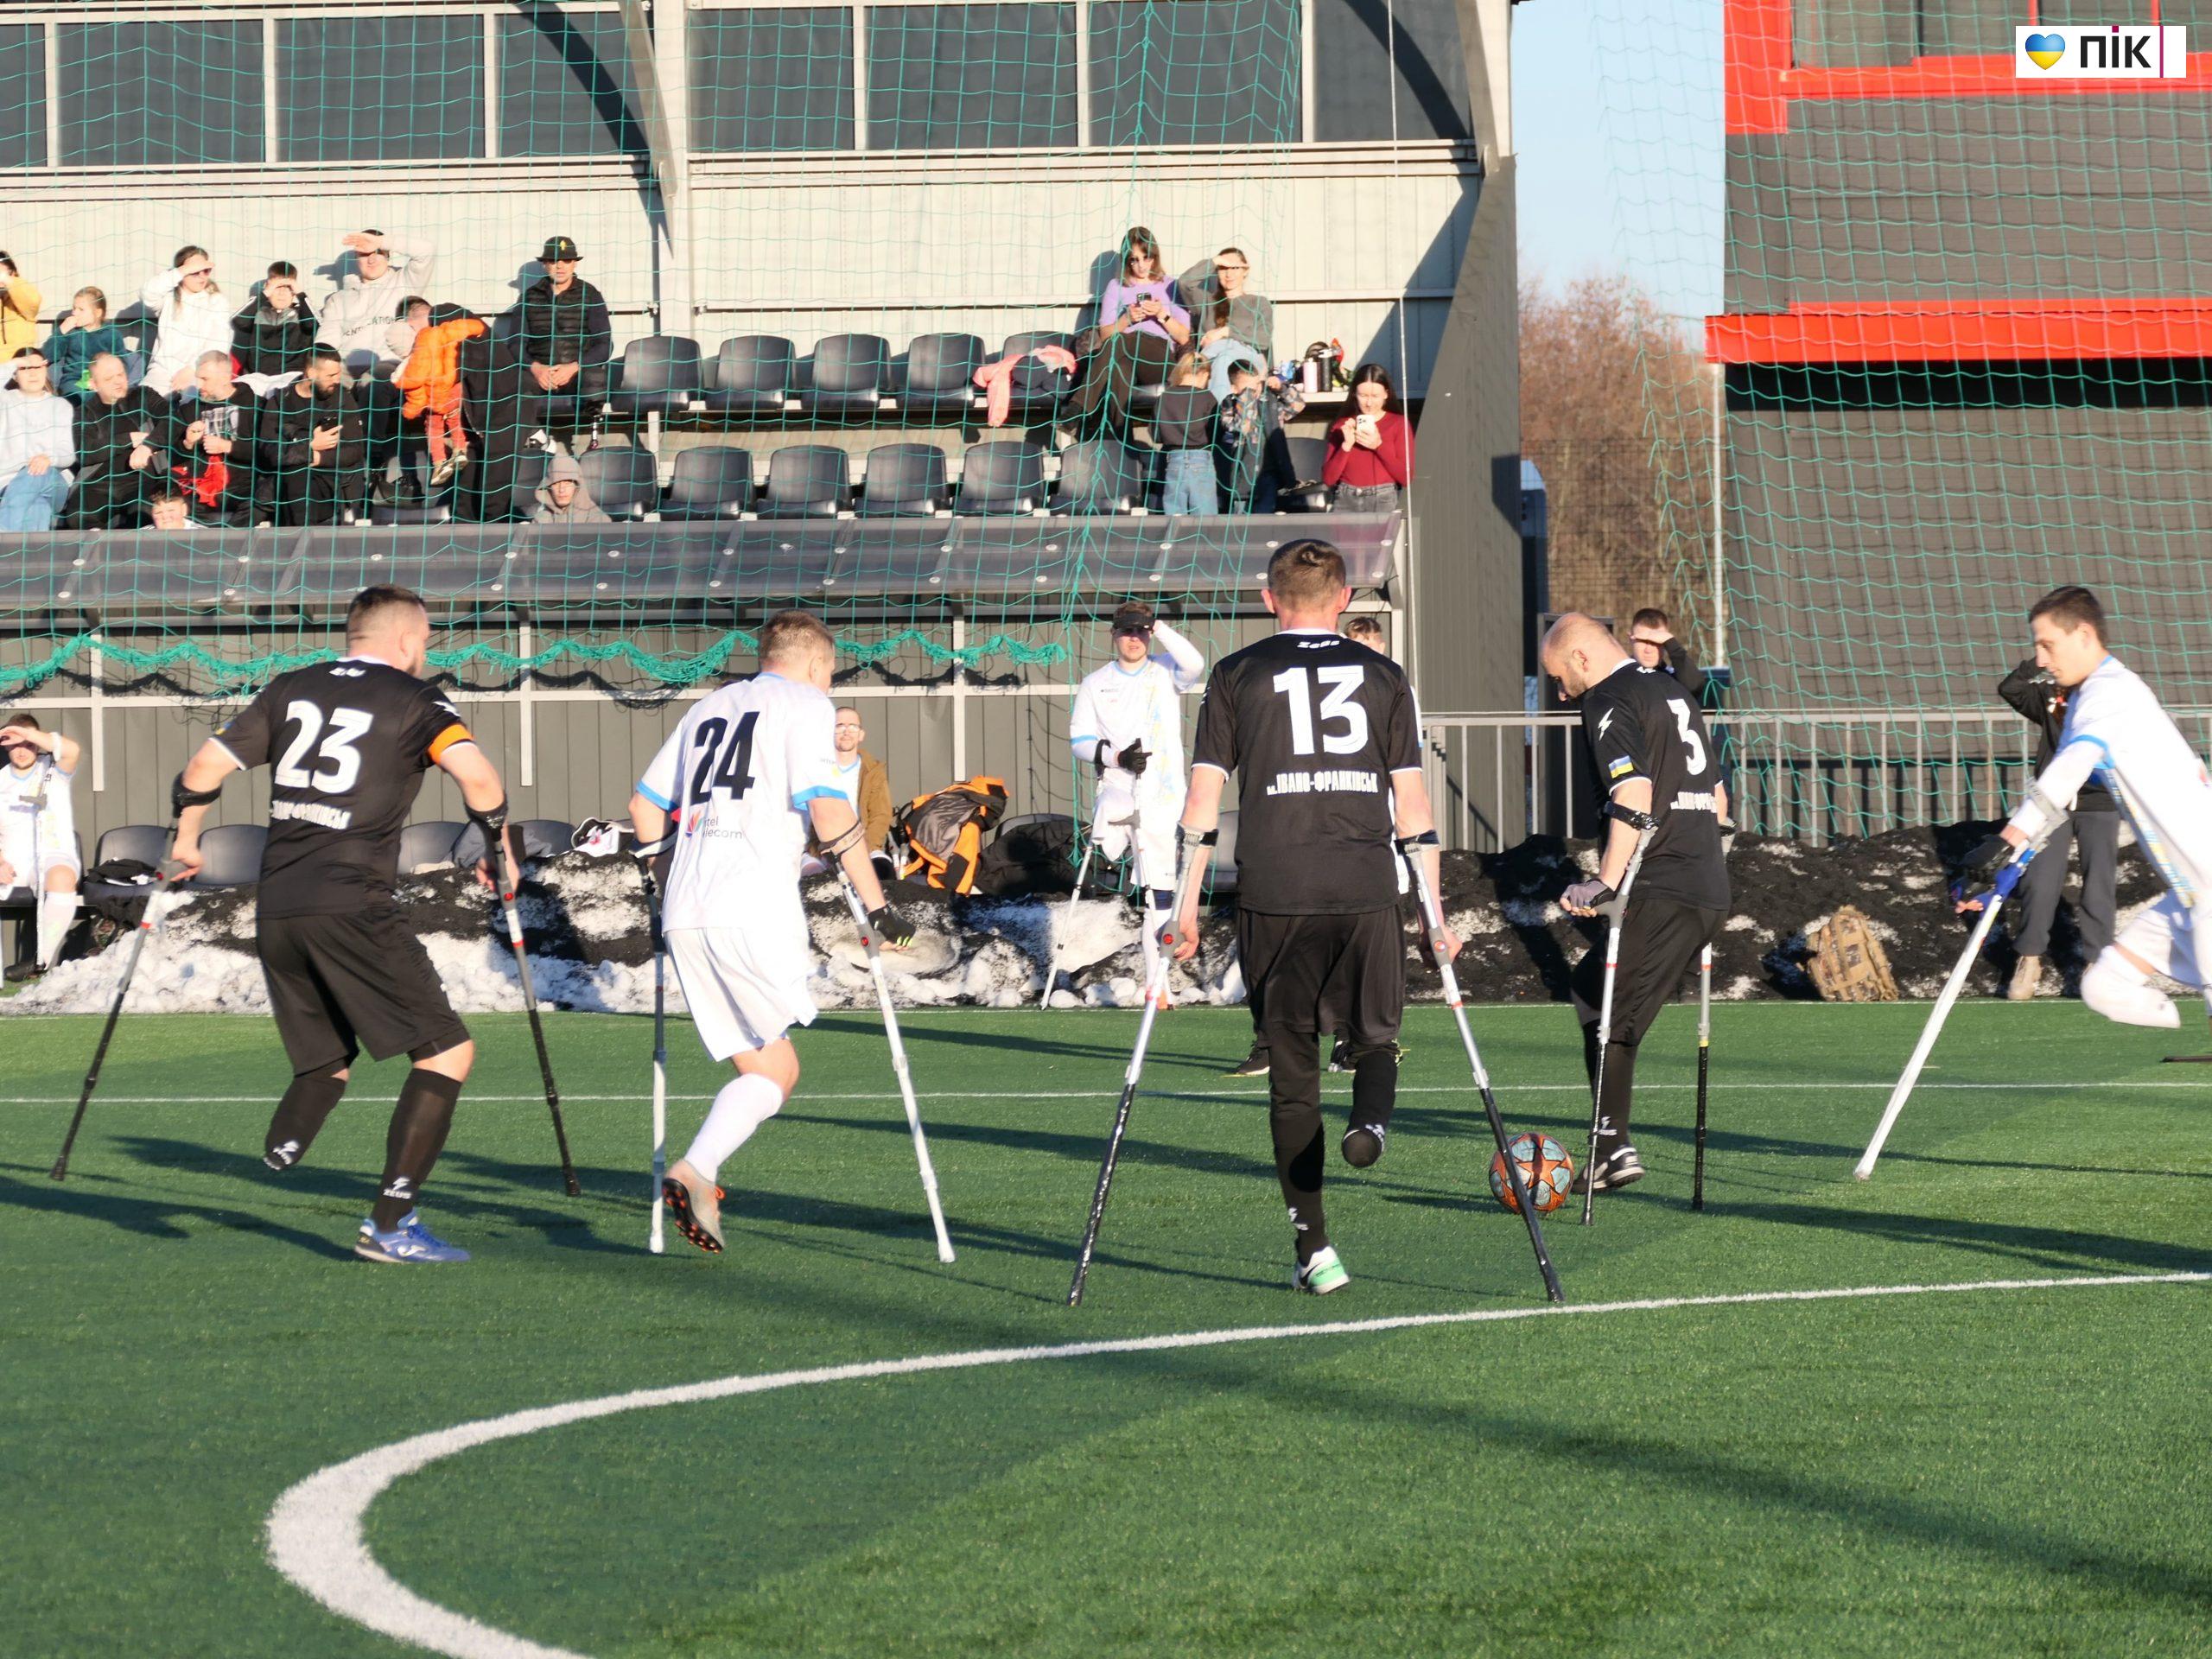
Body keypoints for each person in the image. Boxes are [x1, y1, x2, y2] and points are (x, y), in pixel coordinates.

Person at [169, 586, 515, 1263]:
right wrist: (499, 847)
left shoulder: (289, 688)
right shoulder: (420, 702)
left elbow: (204, 767)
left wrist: (186, 839)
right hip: (352, 900)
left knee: (326, 1062)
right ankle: (391, 1226)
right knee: (447, 1053)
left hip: (278, 904)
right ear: (410, 642)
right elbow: (480, 780)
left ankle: (283, 1147)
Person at [1169, 539, 1452, 1294]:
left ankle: (1315, 1252)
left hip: (1275, 889)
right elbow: (1414, 808)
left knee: (1291, 1078)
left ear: (1269, 600)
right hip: (1364, 885)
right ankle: (1370, 1125)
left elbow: (1201, 806)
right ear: (1345, 598)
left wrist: (1185, 904)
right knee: (1379, 1036)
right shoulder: (1385, 675)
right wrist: (1434, 910)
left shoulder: (1233, 675)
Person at [628, 610, 917, 1255]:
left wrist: (664, 868)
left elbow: (644, 806)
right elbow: (828, 806)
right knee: (777, 1071)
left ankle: (699, 1174)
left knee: (766, 1067)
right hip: (750, 904)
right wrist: (876, 906)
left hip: (687, 910)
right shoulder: (809, 703)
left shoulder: (706, 708)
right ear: (817, 664)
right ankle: (694, 1170)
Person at [1960, 587, 2212, 1034]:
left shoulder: (2110, 694)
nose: (2040, 659)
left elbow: (2066, 772)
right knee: (2105, 987)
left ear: (2084, 635)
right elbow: (2061, 793)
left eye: (2047, 644)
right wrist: (2007, 863)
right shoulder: (2084, 697)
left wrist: (2006, 841)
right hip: (2188, 892)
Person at [1540, 613, 1730, 1196]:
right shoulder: (1671, 692)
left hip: (1661, 879)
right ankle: (1610, 1139)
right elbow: (1719, 799)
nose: (1560, 692)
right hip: (1707, 883)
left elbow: (1633, 792)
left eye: (1559, 677)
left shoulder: (1607, 698)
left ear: (1580, 659)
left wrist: (1604, 883)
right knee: (1597, 992)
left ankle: (1611, 1144)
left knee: (1607, 1009)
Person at [1071, 601, 1206, 990]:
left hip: (1162, 798)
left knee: (1160, 891)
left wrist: (1159, 626)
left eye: (1141, 631)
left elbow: (1195, 664)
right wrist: (1116, 757)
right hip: (1117, 790)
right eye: (1127, 631)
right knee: (1116, 858)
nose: (1135, 638)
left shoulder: (1165, 670)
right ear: (1114, 634)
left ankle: (1157, 984)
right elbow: (1079, 740)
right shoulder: (1095, 683)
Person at [1995, 652, 2119, 1000]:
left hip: (2101, 802)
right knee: (2040, 879)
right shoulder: (2049, 696)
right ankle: (2029, 958)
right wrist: (2040, 660)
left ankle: (2096, 965)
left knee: (2099, 882)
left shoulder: (2109, 697)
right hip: (2053, 803)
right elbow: (2011, 688)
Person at [1069, 227, 1191, 427]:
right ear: (1127, 261)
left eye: (1146, 258)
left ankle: (1078, 407)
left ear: (1155, 256)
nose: (1141, 265)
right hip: (1123, 356)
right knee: (1120, 370)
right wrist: (1127, 319)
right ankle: (1122, 443)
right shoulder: (1116, 286)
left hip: (1159, 360)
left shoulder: (1170, 285)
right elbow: (1106, 335)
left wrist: (1161, 314)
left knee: (1122, 341)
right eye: (1134, 260)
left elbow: (1184, 336)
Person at [0, 715, 83, 982]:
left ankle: (40, 960)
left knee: (62, 878)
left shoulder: (53, 770)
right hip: (11, 861)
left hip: (51, 855)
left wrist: (24, 733)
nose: (22, 751)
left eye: (29, 743)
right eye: (15, 744)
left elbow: (73, 750)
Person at [255, 346, 365, 526]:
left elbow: (355, 450)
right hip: (285, 483)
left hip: (330, 480)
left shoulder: (342, 398)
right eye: (331, 376)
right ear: (312, 373)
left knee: (297, 472)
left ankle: (300, 539)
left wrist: (317, 456)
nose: (337, 380)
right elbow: (268, 450)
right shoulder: (280, 401)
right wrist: (310, 446)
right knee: (296, 471)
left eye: (338, 374)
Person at [512, 236, 613, 434]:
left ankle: (592, 436)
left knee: (596, 377)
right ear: (544, 265)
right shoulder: (528, 298)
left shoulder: (590, 294)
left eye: (566, 260)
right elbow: (515, 344)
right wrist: (536, 369)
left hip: (576, 375)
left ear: (574, 263)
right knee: (512, 382)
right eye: (553, 260)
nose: (560, 266)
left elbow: (604, 344)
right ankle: (533, 436)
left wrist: (573, 367)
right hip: (540, 375)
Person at [59, 353, 166, 530]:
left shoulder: (143, 396)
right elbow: (86, 452)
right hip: (100, 483)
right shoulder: (85, 412)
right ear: (93, 384)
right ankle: (96, 554)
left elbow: (172, 420)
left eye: (121, 374)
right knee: (77, 516)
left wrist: (148, 445)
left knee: (143, 513)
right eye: (109, 378)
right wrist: (129, 438)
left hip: (142, 480)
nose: (118, 381)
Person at [318, 230, 435, 377]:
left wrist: (380, 242)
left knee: (372, 383)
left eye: (378, 252)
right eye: (364, 254)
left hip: (388, 366)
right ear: (356, 258)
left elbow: (426, 251)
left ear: (388, 256)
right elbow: (328, 338)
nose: (371, 260)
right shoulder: (338, 299)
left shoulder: (405, 282)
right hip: (346, 368)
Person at [393, 303, 486, 486]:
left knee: (433, 429)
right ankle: (459, 450)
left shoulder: (413, 359)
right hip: (454, 389)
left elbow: (411, 384)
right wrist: (478, 327)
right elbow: (466, 327)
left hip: (433, 397)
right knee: (454, 419)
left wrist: (411, 408)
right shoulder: (443, 332)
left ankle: (439, 464)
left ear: (412, 325)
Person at [162, 350, 258, 524]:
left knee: (263, 497)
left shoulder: (254, 405)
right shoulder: (190, 409)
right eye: (197, 379)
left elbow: (268, 450)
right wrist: (187, 444)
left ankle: (232, 544)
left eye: (204, 379)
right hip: (200, 485)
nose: (198, 386)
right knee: (163, 492)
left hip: (242, 484)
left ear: (224, 378)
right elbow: (173, 456)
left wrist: (228, 447)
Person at [1177, 246, 1274, 396]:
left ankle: (1222, 414)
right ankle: (1227, 412)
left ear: (1245, 270)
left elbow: (1263, 340)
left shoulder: (1259, 303)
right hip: (1212, 358)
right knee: (1220, 360)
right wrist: (1214, 261)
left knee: (1224, 358)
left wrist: (1225, 332)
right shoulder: (1206, 301)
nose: (1229, 274)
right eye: (1223, 268)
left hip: (1246, 361)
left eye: (1234, 267)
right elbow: (1184, 283)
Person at [0, 347, 76, 531]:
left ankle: (2, 531)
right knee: (38, 508)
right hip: (8, 486)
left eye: (38, 367)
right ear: (15, 375)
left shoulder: (60, 406)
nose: (33, 373)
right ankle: (22, 558)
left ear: (46, 370)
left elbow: (68, 455)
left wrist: (48, 459)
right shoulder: (5, 401)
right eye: (26, 368)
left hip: (52, 482)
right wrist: (15, 363)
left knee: (34, 473)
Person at [141, 246, 232, 397]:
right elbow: (147, 294)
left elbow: (219, 342)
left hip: (198, 373)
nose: (202, 276)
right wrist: (179, 272)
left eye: (206, 271)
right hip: (162, 372)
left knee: (190, 408)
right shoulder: (168, 298)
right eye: (195, 271)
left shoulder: (217, 301)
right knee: (143, 401)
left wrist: (191, 370)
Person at [1216, 359, 1304, 512]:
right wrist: (1247, 396)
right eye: (1248, 387)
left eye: (1256, 385)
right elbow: (1243, 426)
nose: (1254, 390)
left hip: (1269, 474)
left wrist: (1280, 388)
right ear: (1234, 388)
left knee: (1263, 520)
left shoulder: (1269, 402)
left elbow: (1298, 406)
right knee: (1241, 523)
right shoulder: (1229, 404)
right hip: (1243, 478)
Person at [1323, 363, 1413, 512]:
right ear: (1354, 394)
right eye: (1363, 396)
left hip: (1383, 498)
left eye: (1375, 396)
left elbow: (1405, 477)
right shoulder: (1342, 426)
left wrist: (1379, 446)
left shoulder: (1398, 424)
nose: (1369, 403)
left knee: (1381, 537)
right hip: (1346, 497)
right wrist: (1346, 446)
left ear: (1386, 394)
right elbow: (1328, 479)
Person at [232, 263, 319, 389]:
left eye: (288, 287)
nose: (282, 293)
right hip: (258, 376)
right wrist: (264, 294)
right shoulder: (258, 312)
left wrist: (301, 294)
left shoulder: (302, 314)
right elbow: (239, 321)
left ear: (294, 291)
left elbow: (314, 325)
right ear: (268, 288)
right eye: (277, 287)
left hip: (291, 376)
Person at [1154, 353, 1219, 516]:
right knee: (1205, 515)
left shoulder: (1165, 397)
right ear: (1204, 374)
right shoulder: (1207, 397)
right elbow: (1215, 432)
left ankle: (1173, 541)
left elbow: (1156, 434)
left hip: (1173, 459)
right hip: (1201, 458)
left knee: (1174, 513)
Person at [833, 706, 894, 854]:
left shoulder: (873, 772)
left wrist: (864, 849)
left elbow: (881, 815)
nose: (846, 732)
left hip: (863, 844)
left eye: (853, 726)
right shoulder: (816, 768)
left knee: (882, 868)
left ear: (861, 735)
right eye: (839, 726)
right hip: (823, 847)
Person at [47, 287, 126, 397]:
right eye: (74, 308)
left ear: (98, 313)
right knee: (77, 398)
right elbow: (48, 355)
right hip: (74, 381)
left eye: (81, 309)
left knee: (108, 400)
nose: (74, 313)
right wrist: (61, 331)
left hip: (104, 381)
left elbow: (121, 363)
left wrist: (106, 379)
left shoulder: (112, 334)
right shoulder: (71, 332)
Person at [1626, 607, 1707, 700]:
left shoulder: (1674, 677)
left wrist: (1673, 646)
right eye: (1642, 641)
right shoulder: (1618, 676)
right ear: (1630, 638)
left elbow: (1694, 687)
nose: (1648, 650)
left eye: (1656, 642)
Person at [532, 449, 609, 523]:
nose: (561, 490)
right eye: (555, 483)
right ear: (548, 487)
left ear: (577, 485)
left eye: (567, 482)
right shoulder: (541, 519)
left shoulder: (598, 519)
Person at [0, 252, 43, 357]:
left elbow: (32, 304)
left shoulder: (23, 290)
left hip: (21, 363)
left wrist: (8, 281)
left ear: (13, 273)